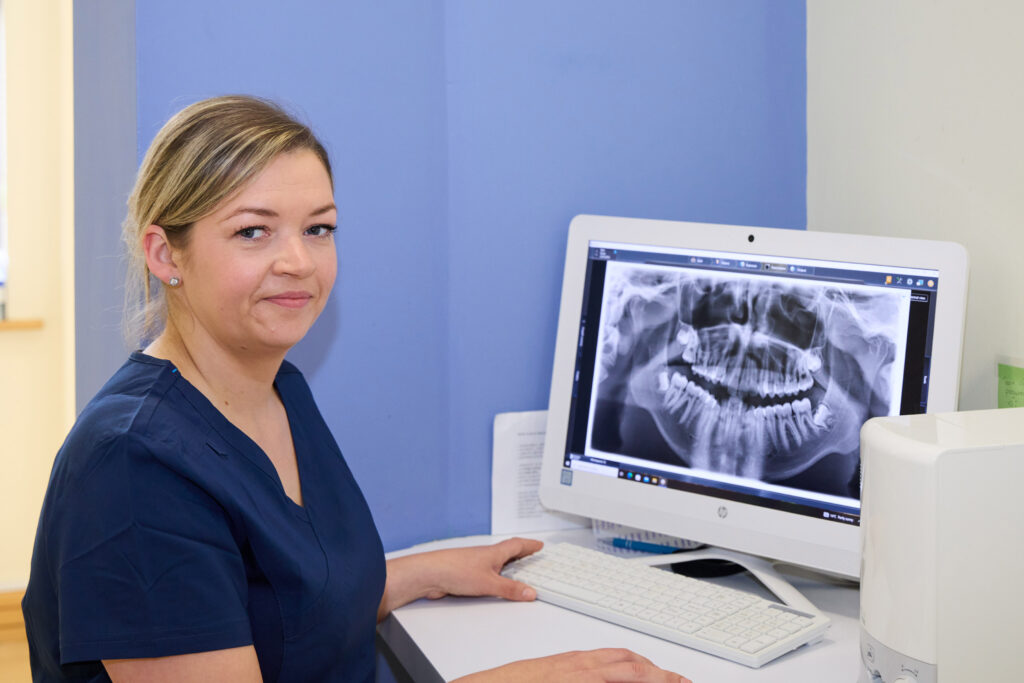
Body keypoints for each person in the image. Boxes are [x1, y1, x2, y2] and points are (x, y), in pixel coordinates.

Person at [21, 95, 691, 683]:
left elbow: (278, 602)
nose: (299, 261)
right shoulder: (134, 467)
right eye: (253, 231)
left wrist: (422, 573)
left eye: (318, 228)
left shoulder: (278, 389)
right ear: (166, 255)